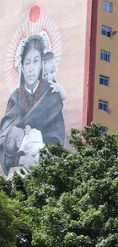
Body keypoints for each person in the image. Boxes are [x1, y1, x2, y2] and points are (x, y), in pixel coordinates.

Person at [0, 34, 66, 176]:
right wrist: (19, 158)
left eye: (35, 61)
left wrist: (40, 150)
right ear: (22, 68)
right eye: (27, 62)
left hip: (43, 170)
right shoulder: (15, 98)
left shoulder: (52, 97)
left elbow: (58, 137)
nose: (31, 68)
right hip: (17, 171)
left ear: (41, 65)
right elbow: (3, 140)